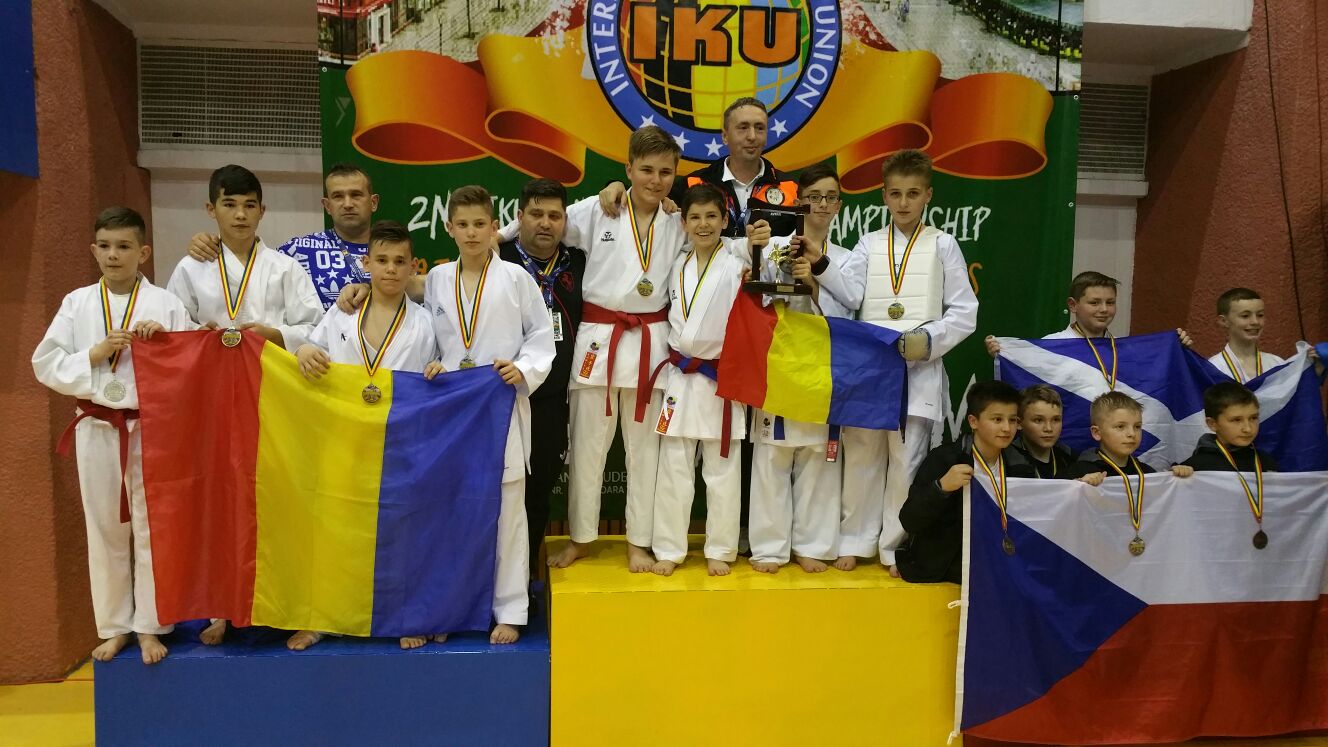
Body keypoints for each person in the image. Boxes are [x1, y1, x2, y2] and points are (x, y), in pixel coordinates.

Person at [165, 164, 323, 644]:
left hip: (274, 396)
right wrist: (201, 337)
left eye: (249, 205)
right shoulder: (190, 268)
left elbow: (314, 327)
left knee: (280, 499)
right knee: (222, 502)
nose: (239, 215)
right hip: (214, 400)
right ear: (210, 209)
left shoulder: (284, 268)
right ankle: (224, 609)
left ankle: (289, 605)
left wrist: (273, 332)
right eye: (229, 205)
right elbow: (173, 329)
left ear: (262, 211)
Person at [32, 207, 195, 665]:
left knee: (151, 528)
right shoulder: (77, 303)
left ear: (143, 252)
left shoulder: (165, 304)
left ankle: (151, 626)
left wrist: (164, 343)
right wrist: (95, 352)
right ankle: (115, 626)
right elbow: (44, 363)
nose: (113, 255)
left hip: (150, 429)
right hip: (97, 425)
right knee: (104, 527)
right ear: (93, 250)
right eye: (104, 246)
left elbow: (190, 365)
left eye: (123, 246)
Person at [541, 126, 688, 572]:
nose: (656, 180)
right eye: (646, 170)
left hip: (650, 346)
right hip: (599, 342)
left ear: (675, 174)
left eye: (665, 172)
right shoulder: (599, 209)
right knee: (587, 450)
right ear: (628, 169)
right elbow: (546, 223)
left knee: (645, 454)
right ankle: (580, 538)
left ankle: (639, 542)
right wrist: (498, 237)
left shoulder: (678, 222)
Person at [293, 220, 439, 650]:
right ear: (366, 264)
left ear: (413, 267)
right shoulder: (341, 313)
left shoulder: (426, 322)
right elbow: (311, 348)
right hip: (345, 438)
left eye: (399, 261)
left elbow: (442, 369)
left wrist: (441, 368)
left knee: (402, 532)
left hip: (401, 442)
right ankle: (325, 617)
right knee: (336, 529)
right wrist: (304, 349)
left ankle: (407, 616)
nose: (390, 269)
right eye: (382, 260)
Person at [421, 186, 555, 644]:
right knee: (453, 508)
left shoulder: (516, 278)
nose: (472, 232)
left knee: (509, 509)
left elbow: (541, 337)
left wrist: (524, 368)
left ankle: (510, 609)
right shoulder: (437, 279)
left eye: (480, 223)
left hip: (499, 402)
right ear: (449, 228)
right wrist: (433, 363)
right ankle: (454, 605)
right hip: (453, 409)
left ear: (495, 226)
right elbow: (432, 338)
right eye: (463, 224)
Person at [839, 149, 979, 574]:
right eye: (896, 193)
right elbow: (849, 294)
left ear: (928, 195)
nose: (903, 203)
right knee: (861, 457)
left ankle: (893, 547)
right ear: (883, 195)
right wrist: (822, 266)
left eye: (913, 193)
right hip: (872, 367)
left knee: (906, 461)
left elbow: (965, 311)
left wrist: (929, 340)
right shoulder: (868, 243)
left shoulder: (943, 244)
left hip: (918, 368)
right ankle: (854, 540)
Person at [747, 163, 865, 574]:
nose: (822, 204)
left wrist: (814, 284)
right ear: (799, 202)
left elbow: (852, 310)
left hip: (823, 365)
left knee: (819, 457)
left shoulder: (848, 258)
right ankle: (769, 547)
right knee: (771, 457)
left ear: (839, 205)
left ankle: (811, 544)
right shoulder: (776, 247)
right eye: (814, 196)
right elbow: (757, 298)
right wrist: (760, 261)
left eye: (830, 197)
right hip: (780, 361)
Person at [649, 183, 766, 577]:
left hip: (720, 377)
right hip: (681, 376)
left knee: (723, 470)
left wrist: (755, 243)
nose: (703, 224)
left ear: (725, 220)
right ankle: (669, 548)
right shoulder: (676, 264)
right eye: (695, 217)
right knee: (674, 469)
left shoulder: (736, 261)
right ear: (683, 222)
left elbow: (765, 253)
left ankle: (721, 548)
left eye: (711, 216)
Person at [496, 179, 586, 571]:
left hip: (552, 401)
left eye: (554, 215)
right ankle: (488, 583)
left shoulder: (579, 261)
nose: (545, 223)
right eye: (535, 214)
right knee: (497, 493)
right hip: (502, 397)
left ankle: (525, 582)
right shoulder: (495, 258)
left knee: (537, 495)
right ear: (519, 218)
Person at [186, 162, 381, 310]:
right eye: (338, 196)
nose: (347, 204)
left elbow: (405, 292)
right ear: (327, 206)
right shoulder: (299, 249)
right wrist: (206, 242)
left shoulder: (391, 248)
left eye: (356, 195)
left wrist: (372, 290)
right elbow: (250, 262)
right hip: (320, 350)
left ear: (373, 202)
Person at [895, 382, 1035, 584]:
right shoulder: (944, 460)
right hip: (950, 565)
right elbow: (909, 520)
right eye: (997, 419)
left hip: (998, 560)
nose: (1007, 428)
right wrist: (941, 488)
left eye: (1013, 420)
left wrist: (1075, 489)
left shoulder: (1021, 465)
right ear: (973, 421)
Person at [598, 97, 799, 238]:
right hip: (707, 285)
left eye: (759, 128)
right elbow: (647, 197)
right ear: (725, 136)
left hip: (768, 287)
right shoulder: (695, 183)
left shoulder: (791, 187)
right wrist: (616, 185)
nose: (752, 136)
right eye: (743, 127)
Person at [984, 271, 1194, 355]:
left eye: (1110, 302)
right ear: (1073, 305)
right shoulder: (1050, 347)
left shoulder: (1126, 351)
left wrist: (1178, 348)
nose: (1104, 309)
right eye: (1094, 302)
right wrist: (1004, 354)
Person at [1064, 392, 1196, 482]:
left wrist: (1176, 477)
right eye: (1120, 426)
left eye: (1137, 426)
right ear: (1097, 433)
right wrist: (1078, 485)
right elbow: (1060, 504)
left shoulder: (1146, 472)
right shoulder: (1080, 471)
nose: (1131, 433)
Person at [1180, 382, 1278, 471]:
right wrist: (1178, 475)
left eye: (1253, 418)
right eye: (1237, 420)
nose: (1247, 429)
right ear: (1212, 424)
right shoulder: (1196, 466)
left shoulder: (1266, 461)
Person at [1209, 288, 1283, 383]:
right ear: (1224, 321)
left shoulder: (1277, 364)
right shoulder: (1213, 369)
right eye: (1245, 316)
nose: (1255, 322)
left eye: (1260, 315)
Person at [1011, 384, 1076, 479]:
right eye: (1038, 420)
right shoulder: (1005, 461)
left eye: (1056, 420)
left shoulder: (1068, 457)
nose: (1048, 428)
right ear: (1019, 423)